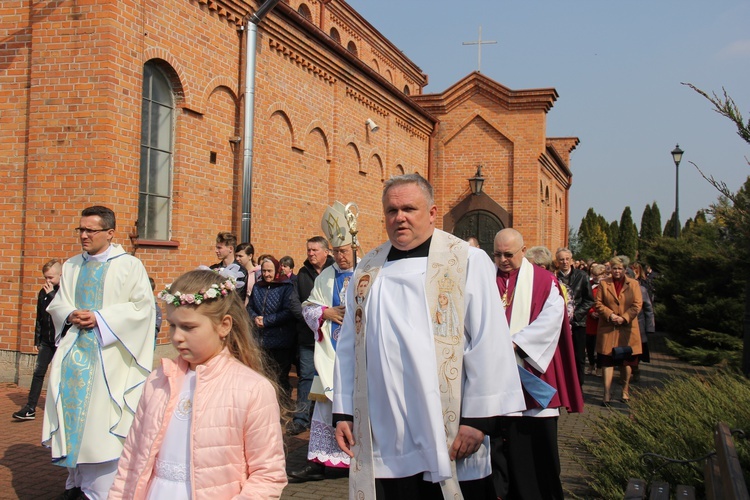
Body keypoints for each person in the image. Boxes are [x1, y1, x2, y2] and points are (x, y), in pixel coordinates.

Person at [333, 174, 525, 499]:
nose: (400, 217)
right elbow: (350, 344)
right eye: (391, 210)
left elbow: (488, 342)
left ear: (432, 213)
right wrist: (344, 411)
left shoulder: (466, 260)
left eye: (409, 208)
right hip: (385, 428)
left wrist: (478, 421)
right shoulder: (367, 270)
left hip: (450, 428)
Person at [109, 269, 287, 499]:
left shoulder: (252, 389)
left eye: (189, 327)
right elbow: (131, 459)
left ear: (224, 325)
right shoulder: (157, 380)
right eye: (173, 325)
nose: (176, 337)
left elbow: (268, 474)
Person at [42, 206, 155, 500]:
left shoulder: (129, 266)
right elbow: (57, 304)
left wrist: (101, 318)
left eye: (90, 230)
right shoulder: (71, 266)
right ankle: (75, 482)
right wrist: (70, 314)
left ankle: (100, 490)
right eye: (80, 229)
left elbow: (143, 309)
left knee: (101, 427)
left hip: (110, 359)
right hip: (73, 359)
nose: (83, 235)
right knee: (73, 421)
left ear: (110, 233)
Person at [491, 230, 583, 500]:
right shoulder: (485, 278)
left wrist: (514, 344)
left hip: (530, 372)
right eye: (497, 254)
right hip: (493, 376)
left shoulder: (545, 281)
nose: (503, 260)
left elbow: (552, 320)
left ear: (523, 249)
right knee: (498, 448)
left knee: (535, 454)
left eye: (509, 254)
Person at [288, 202, 359, 483]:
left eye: (344, 251)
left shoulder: (369, 272)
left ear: (355, 249)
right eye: (337, 252)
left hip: (360, 357)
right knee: (324, 407)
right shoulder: (327, 275)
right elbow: (307, 307)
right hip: (330, 354)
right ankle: (318, 462)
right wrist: (325, 312)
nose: (340, 257)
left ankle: (358, 461)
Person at [289, 236, 335, 435]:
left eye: (315, 250)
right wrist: (312, 320)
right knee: (306, 377)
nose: (311, 253)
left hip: (331, 337)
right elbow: (295, 303)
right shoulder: (302, 273)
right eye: (309, 250)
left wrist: (326, 321)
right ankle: (301, 418)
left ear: (326, 251)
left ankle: (324, 419)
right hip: (308, 337)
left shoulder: (335, 272)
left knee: (328, 378)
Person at [13, 259, 64, 421]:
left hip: (62, 340)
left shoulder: (64, 292)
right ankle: (30, 407)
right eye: (46, 278)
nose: (48, 281)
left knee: (59, 375)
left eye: (51, 278)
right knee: (38, 372)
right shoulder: (43, 293)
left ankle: (60, 409)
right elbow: (40, 318)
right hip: (46, 340)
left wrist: (51, 294)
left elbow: (63, 310)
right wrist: (37, 340)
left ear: (60, 275)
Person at [247, 255, 300, 400]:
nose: (266, 274)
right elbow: (250, 306)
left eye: (269, 271)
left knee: (280, 376)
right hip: (261, 340)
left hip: (280, 340)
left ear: (276, 270)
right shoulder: (258, 286)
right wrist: (254, 317)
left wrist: (267, 321)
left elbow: (288, 311)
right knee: (262, 375)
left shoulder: (286, 286)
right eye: (264, 271)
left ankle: (283, 406)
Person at [595, 256, 643, 405]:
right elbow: (598, 303)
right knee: (607, 361)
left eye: (620, 268)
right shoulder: (604, 283)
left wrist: (624, 318)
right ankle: (607, 393)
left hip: (626, 328)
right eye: (614, 268)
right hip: (609, 327)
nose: (617, 271)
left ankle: (625, 390)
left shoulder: (633, 284)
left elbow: (637, 304)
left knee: (626, 362)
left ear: (625, 269)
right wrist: (611, 315)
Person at [555, 247, 594, 388]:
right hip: (559, 324)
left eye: (567, 259)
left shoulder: (582, 276)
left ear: (571, 260)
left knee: (578, 357)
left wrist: (575, 315)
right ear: (557, 261)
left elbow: (589, 299)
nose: (564, 262)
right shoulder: (554, 277)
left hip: (578, 323)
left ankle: (578, 387)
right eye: (561, 259)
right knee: (561, 356)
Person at [210, 231, 249, 303]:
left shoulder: (241, 271)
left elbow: (238, 297)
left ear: (230, 249)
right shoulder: (213, 269)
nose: (216, 251)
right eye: (216, 247)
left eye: (219, 248)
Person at [585, 264, 607, 377]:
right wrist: (591, 312)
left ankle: (599, 366)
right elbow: (585, 299)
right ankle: (591, 364)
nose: (597, 277)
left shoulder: (607, 286)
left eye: (600, 275)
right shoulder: (589, 285)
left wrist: (601, 312)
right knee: (590, 344)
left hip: (603, 319)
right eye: (595, 275)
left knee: (601, 345)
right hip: (590, 319)